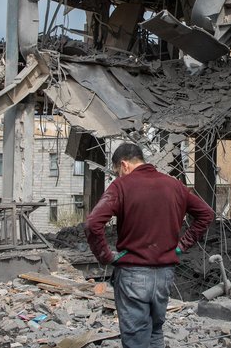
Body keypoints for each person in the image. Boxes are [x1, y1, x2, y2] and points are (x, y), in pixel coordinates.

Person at [85, 143, 215, 348]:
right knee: (155, 333)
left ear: (124, 165)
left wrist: (106, 256)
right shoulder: (174, 185)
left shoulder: (121, 186)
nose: (118, 176)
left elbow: (93, 223)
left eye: (118, 172)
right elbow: (206, 214)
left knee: (136, 339)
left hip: (133, 275)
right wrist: (182, 245)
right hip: (164, 275)